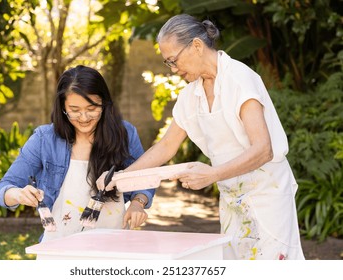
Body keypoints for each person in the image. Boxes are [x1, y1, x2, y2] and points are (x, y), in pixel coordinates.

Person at [98, 14, 305, 260]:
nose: (174, 70)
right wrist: (120, 177)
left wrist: (213, 174)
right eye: (168, 64)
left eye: (173, 60)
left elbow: (263, 149)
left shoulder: (240, 78)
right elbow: (166, 146)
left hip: (267, 195)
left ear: (196, 45)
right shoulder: (190, 95)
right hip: (231, 196)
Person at [0, 65, 155, 242]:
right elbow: (3, 188)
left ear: (104, 103)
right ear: (62, 107)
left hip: (112, 241)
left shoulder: (125, 134)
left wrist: (138, 203)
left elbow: (143, 178)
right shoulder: (44, 139)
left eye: (92, 108)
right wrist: (17, 194)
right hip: (58, 243)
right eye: (75, 110)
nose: (84, 117)